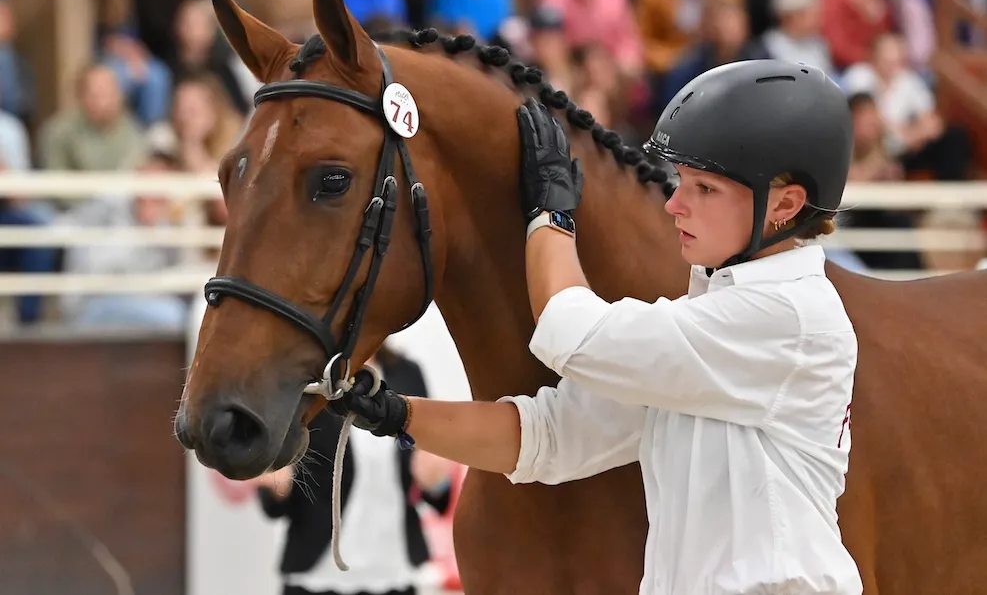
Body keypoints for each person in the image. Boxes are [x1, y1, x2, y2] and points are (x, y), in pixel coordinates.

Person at [329, 60, 863, 594]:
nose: (674, 204)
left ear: (786, 205)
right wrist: (396, 412)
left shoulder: (786, 316)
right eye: (681, 182)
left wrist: (551, 215)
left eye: (704, 189)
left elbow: (571, 330)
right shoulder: (720, 319)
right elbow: (551, 437)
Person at [251, 344, 454, 595]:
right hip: (318, 572)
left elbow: (438, 495)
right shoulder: (307, 381)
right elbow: (274, 506)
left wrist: (436, 482)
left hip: (394, 570)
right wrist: (278, 485)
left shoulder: (407, 373)